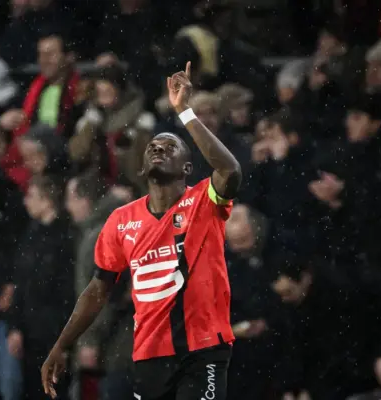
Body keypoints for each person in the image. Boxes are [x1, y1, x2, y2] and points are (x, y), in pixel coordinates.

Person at [41, 62, 242, 400]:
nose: (159, 148)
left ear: (187, 167)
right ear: (142, 168)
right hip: (150, 354)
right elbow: (97, 290)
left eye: (170, 147)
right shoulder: (121, 220)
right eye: (153, 148)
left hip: (202, 349)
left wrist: (185, 112)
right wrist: (62, 344)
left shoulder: (204, 202)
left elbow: (230, 170)